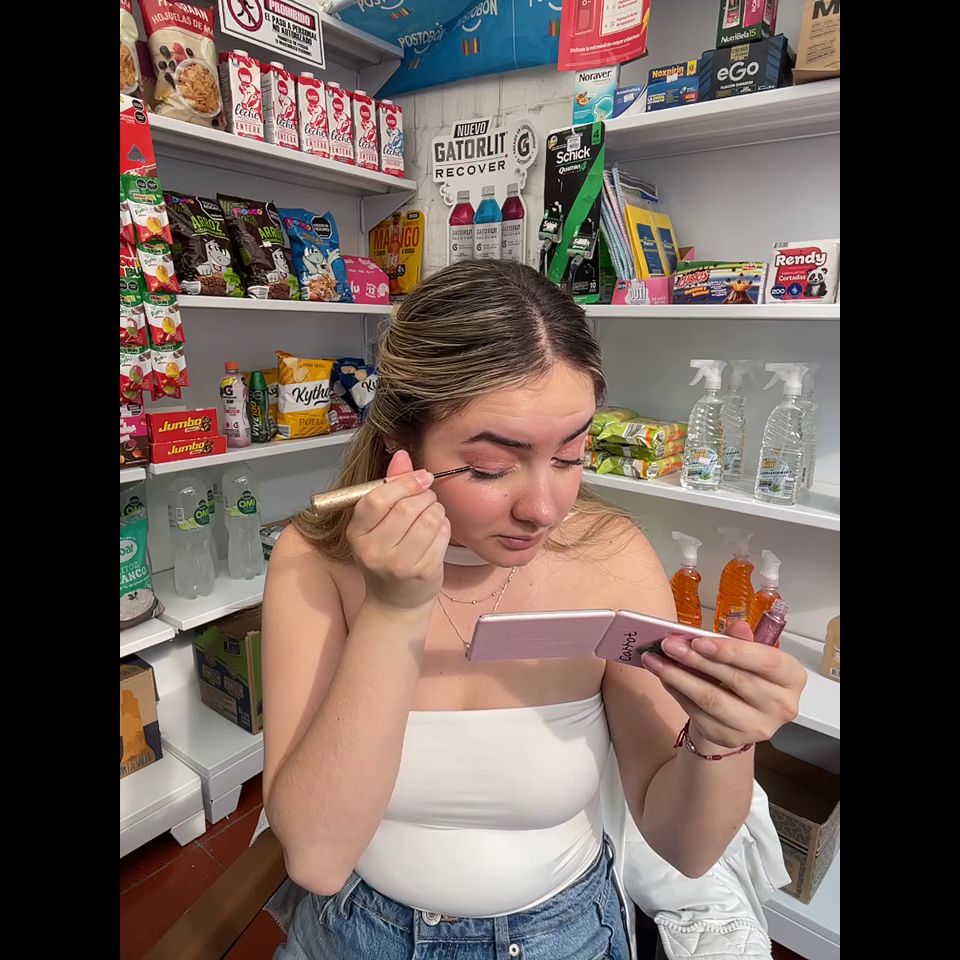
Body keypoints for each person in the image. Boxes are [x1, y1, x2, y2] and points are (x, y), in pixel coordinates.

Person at [262, 260, 807, 959]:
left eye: (572, 456)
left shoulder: (610, 557)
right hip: (357, 930)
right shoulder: (316, 561)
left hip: (563, 935)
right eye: (491, 468)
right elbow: (316, 857)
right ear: (401, 442)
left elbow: (687, 848)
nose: (544, 509)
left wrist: (723, 737)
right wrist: (394, 612)